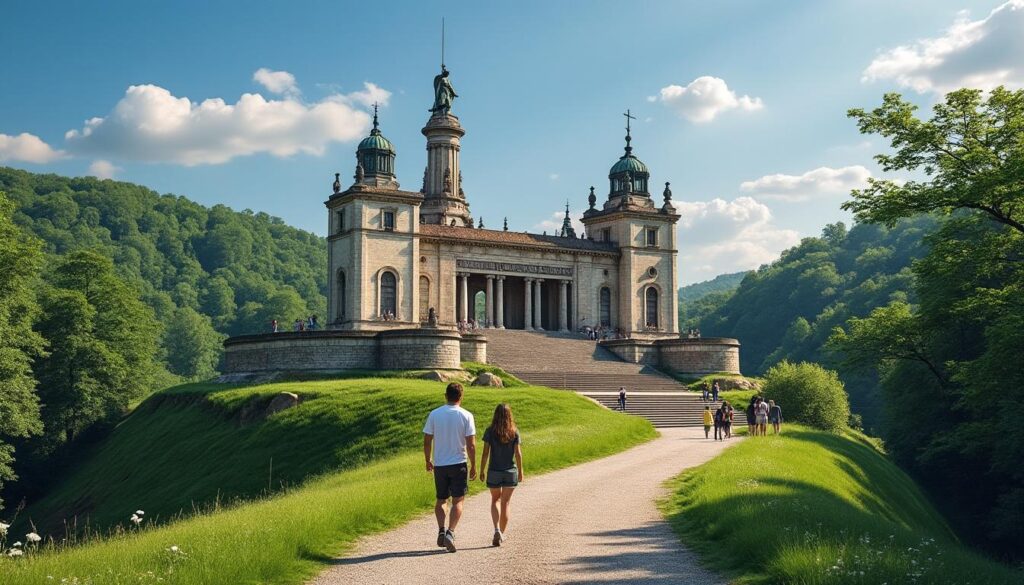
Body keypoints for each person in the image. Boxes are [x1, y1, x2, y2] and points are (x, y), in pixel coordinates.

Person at [423, 383, 477, 553]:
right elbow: (471, 445)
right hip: (459, 463)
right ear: (461, 397)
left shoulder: (434, 414)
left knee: (441, 499)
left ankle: (440, 529)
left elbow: (427, 439)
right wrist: (474, 465)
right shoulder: (466, 415)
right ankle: (450, 532)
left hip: (440, 464)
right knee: (458, 500)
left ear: (445, 395)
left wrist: (427, 459)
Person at [479, 404, 524, 547]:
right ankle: (502, 534)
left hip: (494, 471)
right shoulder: (514, 432)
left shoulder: (490, 431)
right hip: (510, 471)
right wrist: (521, 471)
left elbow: (485, 453)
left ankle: (496, 529)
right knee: (506, 503)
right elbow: (518, 453)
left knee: (495, 500)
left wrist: (481, 470)